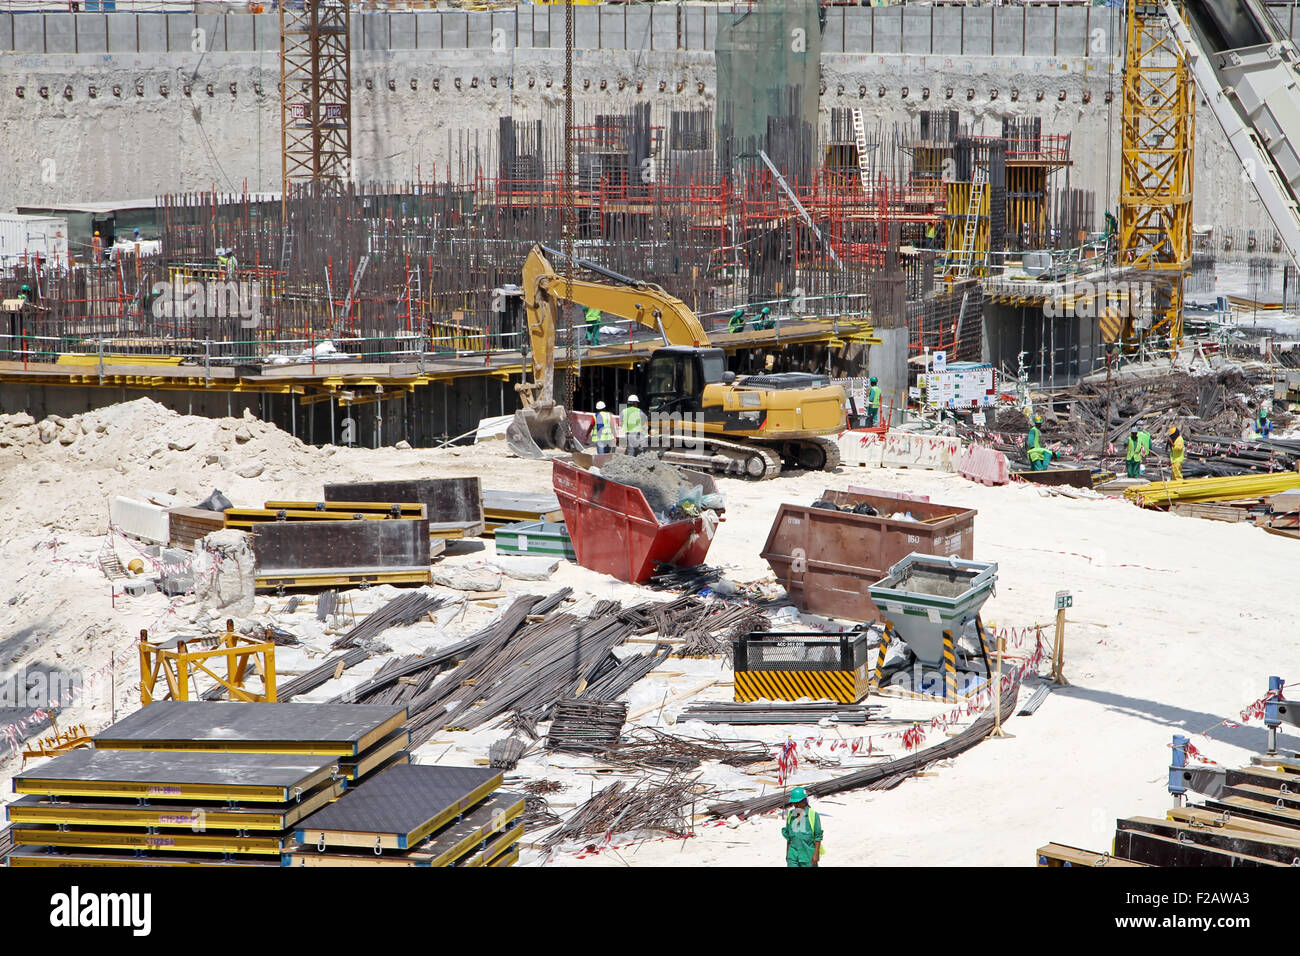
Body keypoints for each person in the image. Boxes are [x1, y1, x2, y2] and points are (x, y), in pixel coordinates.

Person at [781, 786, 822, 868]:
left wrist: (816, 854)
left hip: (808, 856)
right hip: (793, 856)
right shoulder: (791, 814)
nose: (796, 805)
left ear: (804, 801)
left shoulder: (813, 815)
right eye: (794, 803)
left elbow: (818, 837)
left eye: (798, 802)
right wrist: (788, 853)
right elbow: (789, 836)